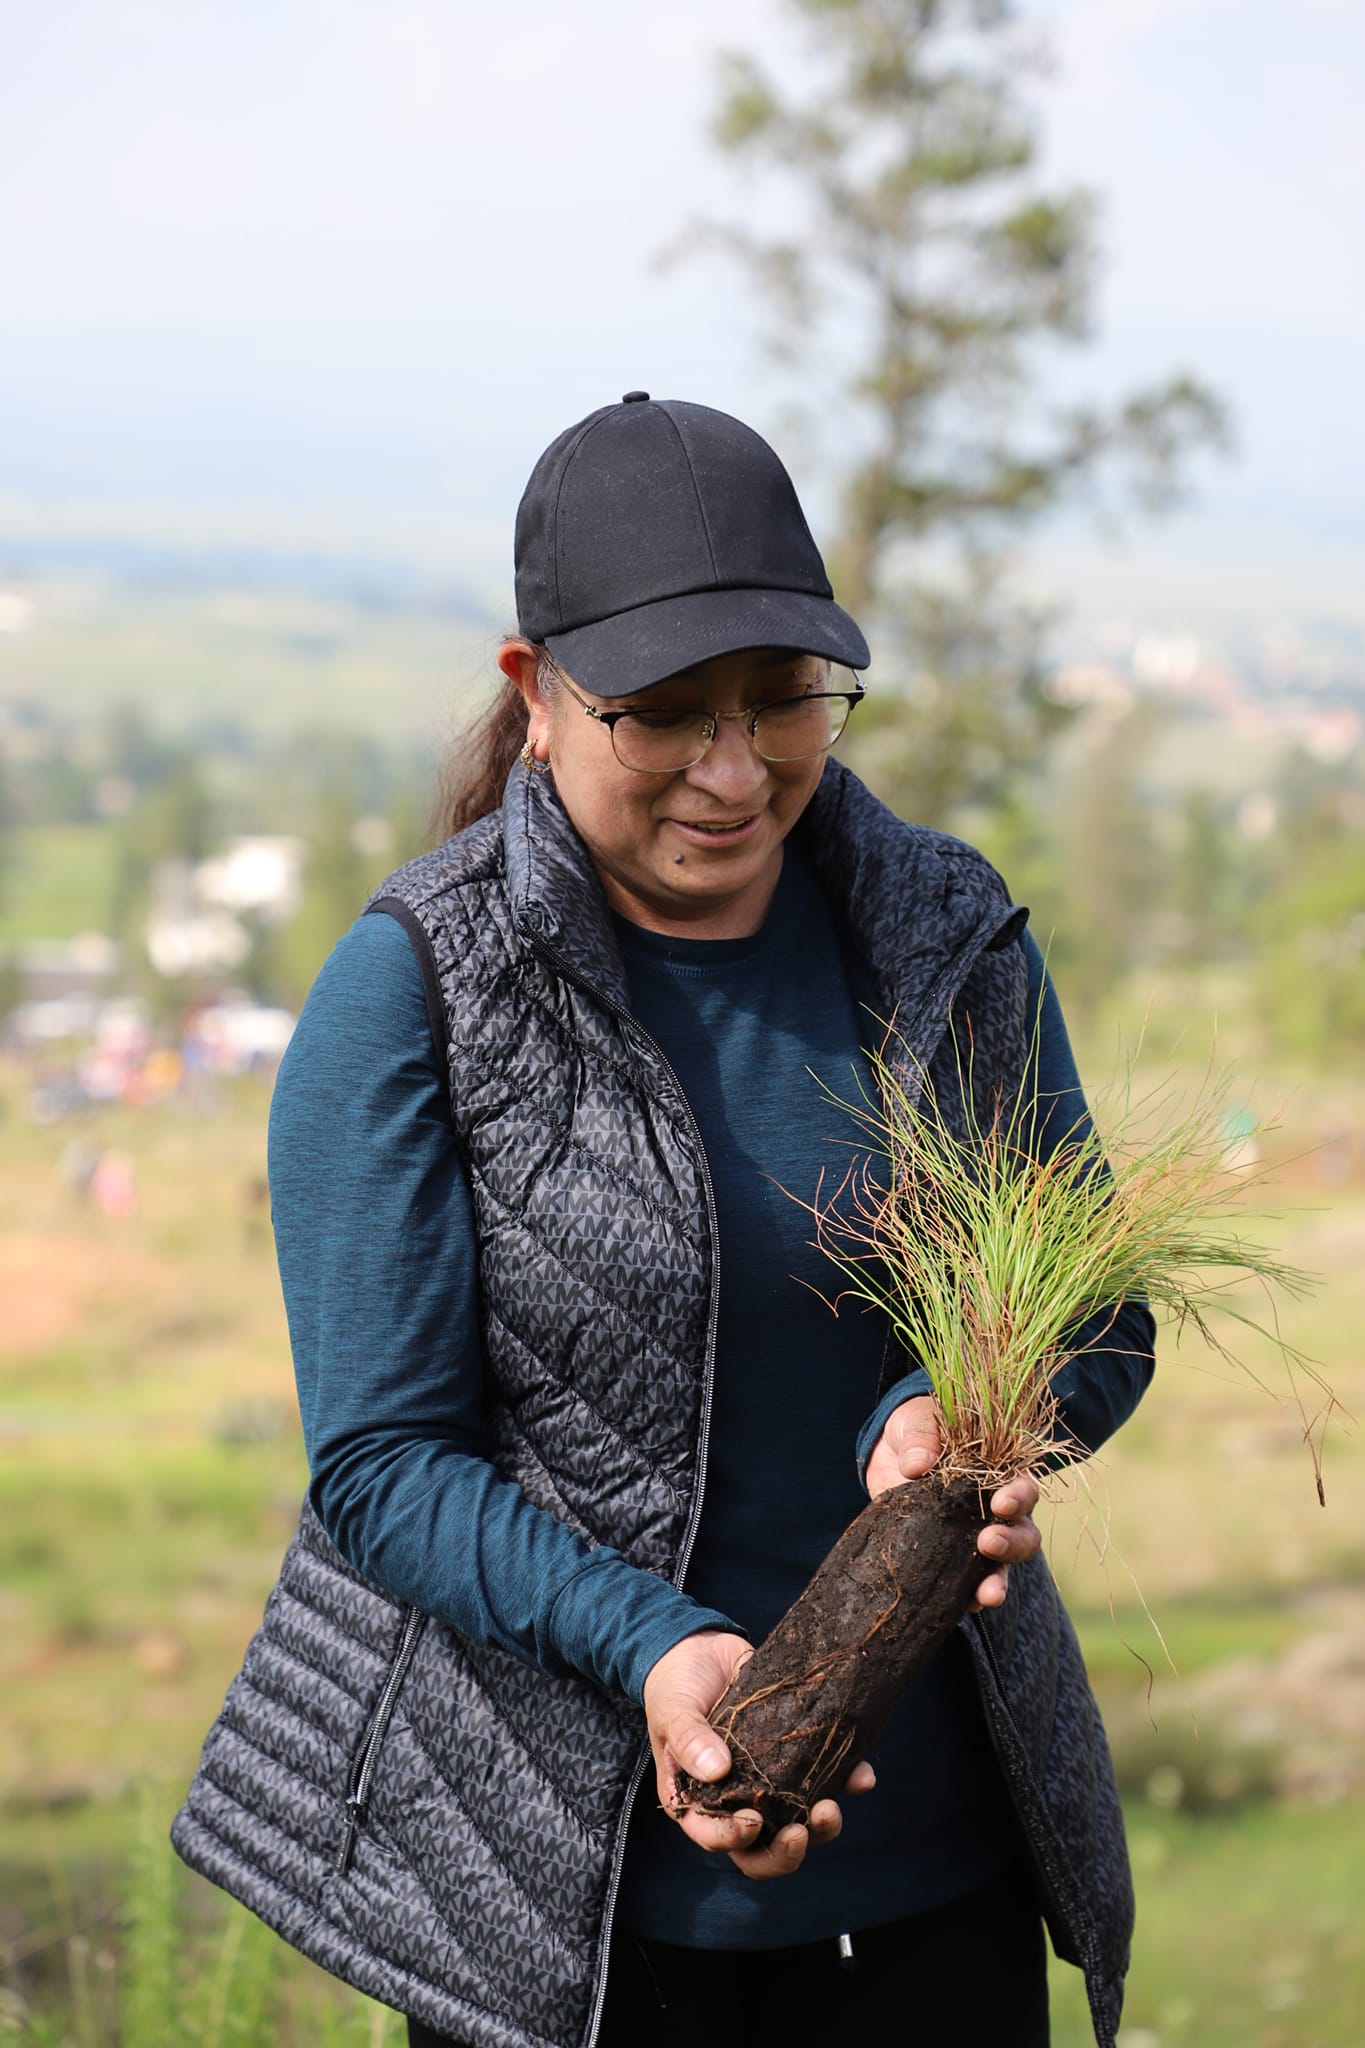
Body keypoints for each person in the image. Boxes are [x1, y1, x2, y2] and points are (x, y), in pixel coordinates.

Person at [172, 395, 1155, 2048]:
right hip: (575, 1911)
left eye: (781, 702)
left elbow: (1103, 1307)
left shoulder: (942, 932)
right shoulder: (418, 989)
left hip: (941, 1887)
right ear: (532, 698)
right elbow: (387, 1460)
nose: (730, 769)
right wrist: (650, 1646)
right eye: (659, 716)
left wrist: (962, 1411)